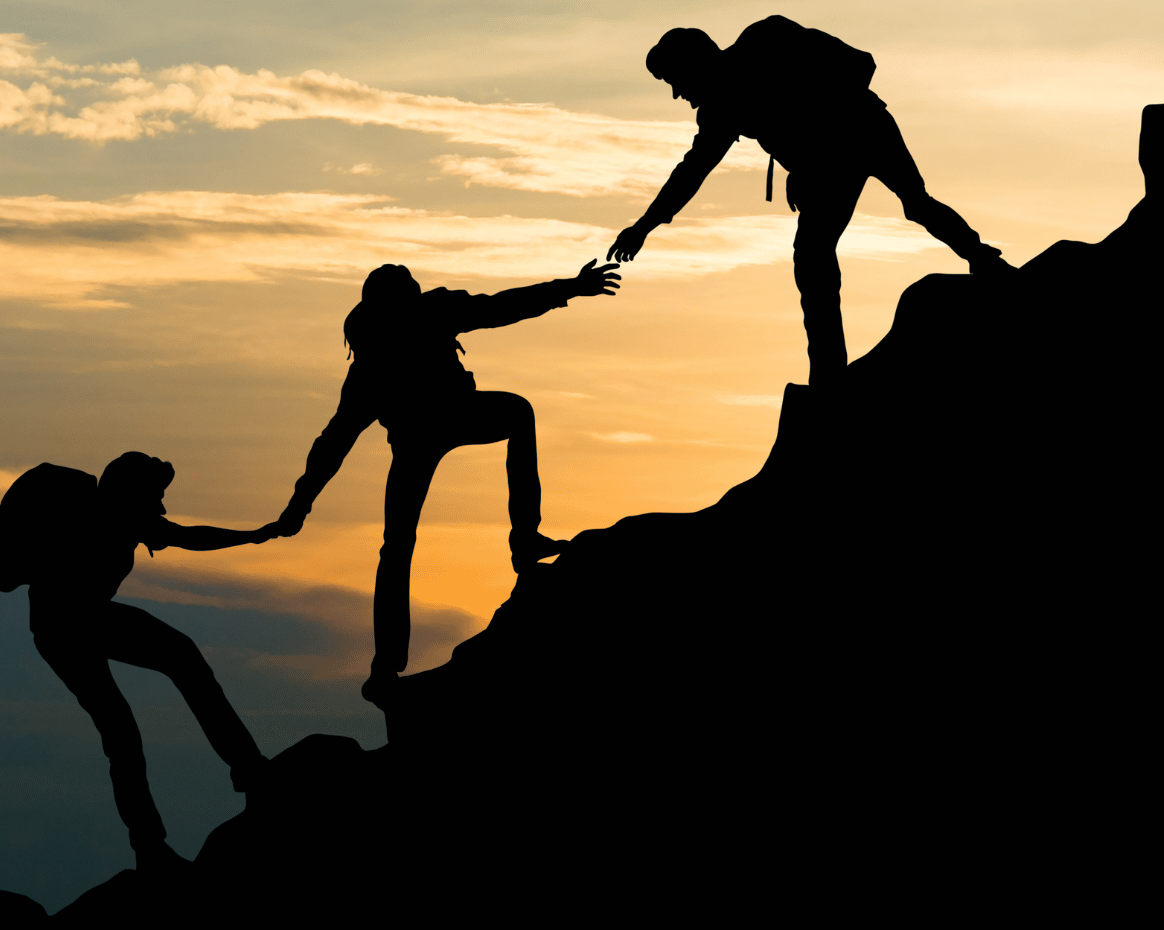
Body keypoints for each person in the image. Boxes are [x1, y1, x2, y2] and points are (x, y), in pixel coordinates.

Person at [272, 260, 621, 703]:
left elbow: (502, 307)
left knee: (397, 546)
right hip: (435, 427)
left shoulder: (382, 349)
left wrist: (568, 288)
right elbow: (334, 441)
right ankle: (390, 660)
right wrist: (297, 506)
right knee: (514, 418)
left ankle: (388, 662)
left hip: (429, 430)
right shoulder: (401, 336)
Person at [606, 17, 1012, 381]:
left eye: (676, 80)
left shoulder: (766, 40)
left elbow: (861, 64)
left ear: (696, 62)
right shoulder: (721, 111)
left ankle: (984, 261)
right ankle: (828, 369)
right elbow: (691, 173)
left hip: (865, 131)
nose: (678, 94)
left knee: (916, 203)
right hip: (825, 167)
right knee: (813, 253)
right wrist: (644, 226)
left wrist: (810, 157)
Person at [0, 452, 277, 869]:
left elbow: (186, 536)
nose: (160, 506)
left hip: (81, 621)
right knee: (126, 723)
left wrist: (255, 536)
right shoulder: (84, 510)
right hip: (64, 625)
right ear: (130, 491)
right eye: (156, 495)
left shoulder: (128, 516)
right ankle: (160, 837)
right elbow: (7, 573)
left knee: (160, 684)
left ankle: (243, 774)